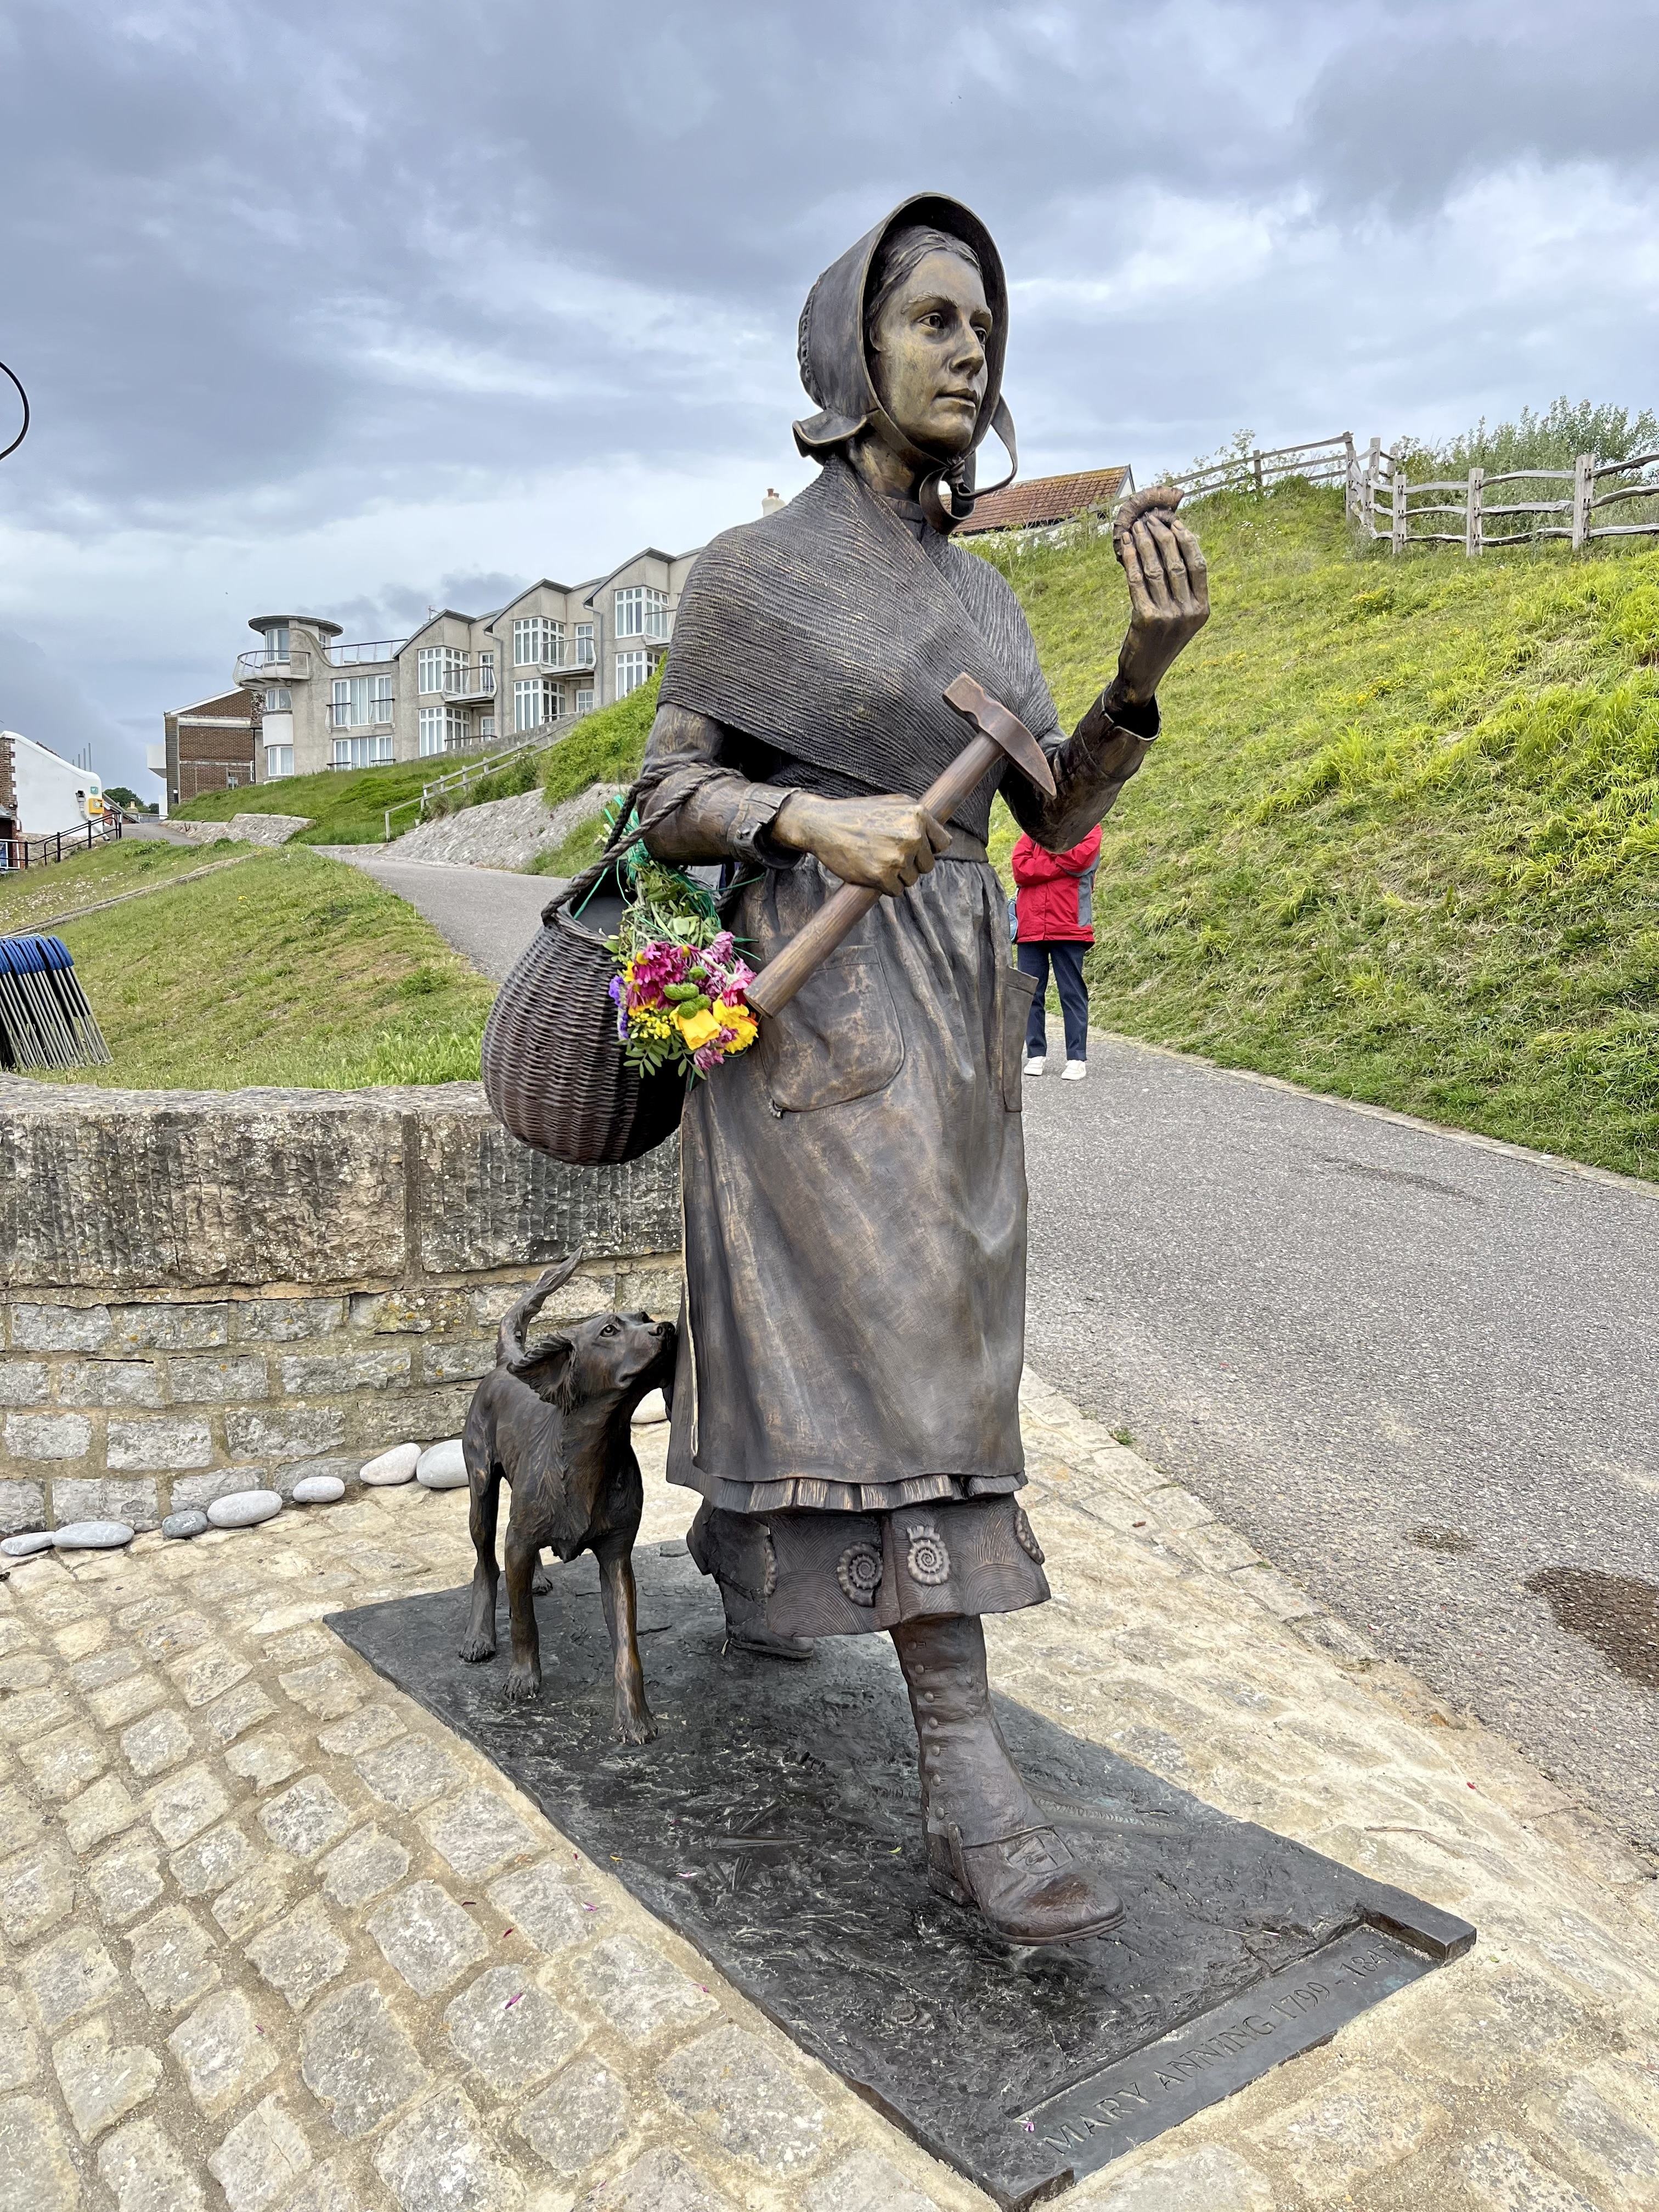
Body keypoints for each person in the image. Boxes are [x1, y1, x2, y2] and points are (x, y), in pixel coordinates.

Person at [634, 193, 1207, 1945]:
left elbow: (1056, 812)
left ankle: (764, 1574)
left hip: (960, 1034)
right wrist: (813, 811)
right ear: (853, 349)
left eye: (985, 329)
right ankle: (967, 1763)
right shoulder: (751, 578)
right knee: (907, 1377)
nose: (970, 353)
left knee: (936, 1338)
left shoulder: (986, 601)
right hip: (812, 1015)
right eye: (936, 320)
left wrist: (1135, 676)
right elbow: (666, 799)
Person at [1012, 823, 1099, 1080]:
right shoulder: (1033, 832)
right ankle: (1035, 1054)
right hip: (1031, 927)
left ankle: (1076, 1058)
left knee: (1072, 993)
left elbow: (1079, 861)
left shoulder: (1090, 829)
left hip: (1070, 925)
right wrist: (1059, 861)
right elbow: (1020, 869)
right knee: (1030, 995)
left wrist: (1044, 854)